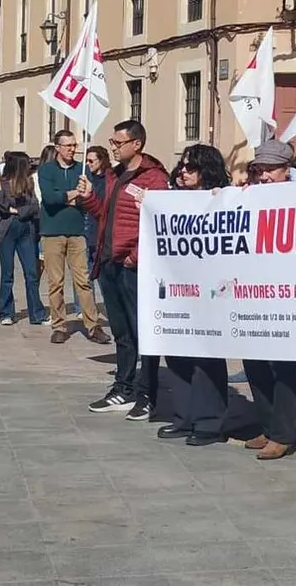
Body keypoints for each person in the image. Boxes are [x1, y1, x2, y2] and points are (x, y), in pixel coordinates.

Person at [76, 120, 170, 419]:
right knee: (122, 332)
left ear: (136, 144)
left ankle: (147, 393)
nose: (113, 147)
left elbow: (158, 222)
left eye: (118, 142)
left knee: (143, 331)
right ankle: (124, 387)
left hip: (133, 266)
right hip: (108, 263)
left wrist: (135, 257)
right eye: (113, 142)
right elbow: (106, 215)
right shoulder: (114, 176)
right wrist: (90, 197)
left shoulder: (153, 178)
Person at [155, 144, 231, 447]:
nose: (183, 172)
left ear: (207, 171)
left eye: (191, 167)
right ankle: (184, 416)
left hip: (211, 290)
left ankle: (210, 422)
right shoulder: (172, 200)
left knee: (207, 357)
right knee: (177, 354)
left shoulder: (222, 199)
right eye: (182, 166)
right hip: (176, 287)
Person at [239, 141, 296, 460]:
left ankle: (283, 433)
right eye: (258, 170)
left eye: (269, 170)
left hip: (288, 292)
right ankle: (266, 425)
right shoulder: (252, 192)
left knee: (282, 365)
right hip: (255, 289)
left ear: (286, 170)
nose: (263, 176)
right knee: (254, 359)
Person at [37, 130, 111, 345]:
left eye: (74, 145)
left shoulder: (82, 169)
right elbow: (50, 198)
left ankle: (92, 325)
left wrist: (75, 196)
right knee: (55, 282)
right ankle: (59, 325)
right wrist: (72, 194)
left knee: (83, 281)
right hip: (52, 231)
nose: (72, 149)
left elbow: (91, 197)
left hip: (78, 231)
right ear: (57, 147)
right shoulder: (46, 169)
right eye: (67, 145)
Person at [0, 152, 47, 325]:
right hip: (6, 231)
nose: (30, 167)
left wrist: (16, 210)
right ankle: (6, 313)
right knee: (7, 273)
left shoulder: (28, 183)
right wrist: (3, 196)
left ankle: (36, 314)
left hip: (26, 231)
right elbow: (2, 206)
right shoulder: (1, 183)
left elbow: (34, 206)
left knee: (31, 273)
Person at [82, 145, 110, 272]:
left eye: (91, 161)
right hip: (85, 232)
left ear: (101, 161)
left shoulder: (109, 181)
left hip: (100, 232)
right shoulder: (85, 178)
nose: (88, 164)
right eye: (86, 161)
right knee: (83, 276)